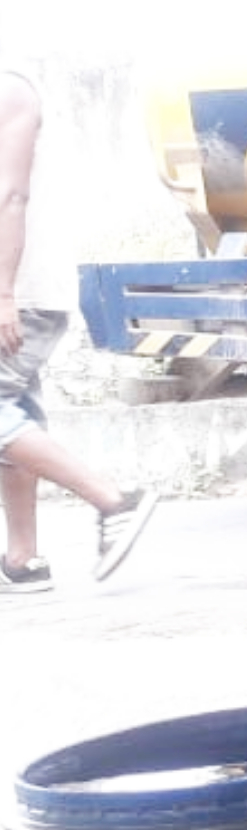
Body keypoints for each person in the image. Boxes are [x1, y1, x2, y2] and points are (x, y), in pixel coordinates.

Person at [0, 66, 157, 592]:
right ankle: (22, 561)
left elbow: (11, 195)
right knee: (17, 422)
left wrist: (4, 293)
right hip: (17, 292)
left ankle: (114, 502)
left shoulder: (10, 89)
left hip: (20, 292)